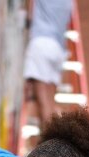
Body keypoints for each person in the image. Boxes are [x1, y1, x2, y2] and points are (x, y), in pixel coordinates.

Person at [23, 0, 73, 130]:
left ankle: (50, 147)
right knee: (50, 105)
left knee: (43, 104)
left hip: (41, 45)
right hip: (58, 49)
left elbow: (28, 14)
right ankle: (57, 141)